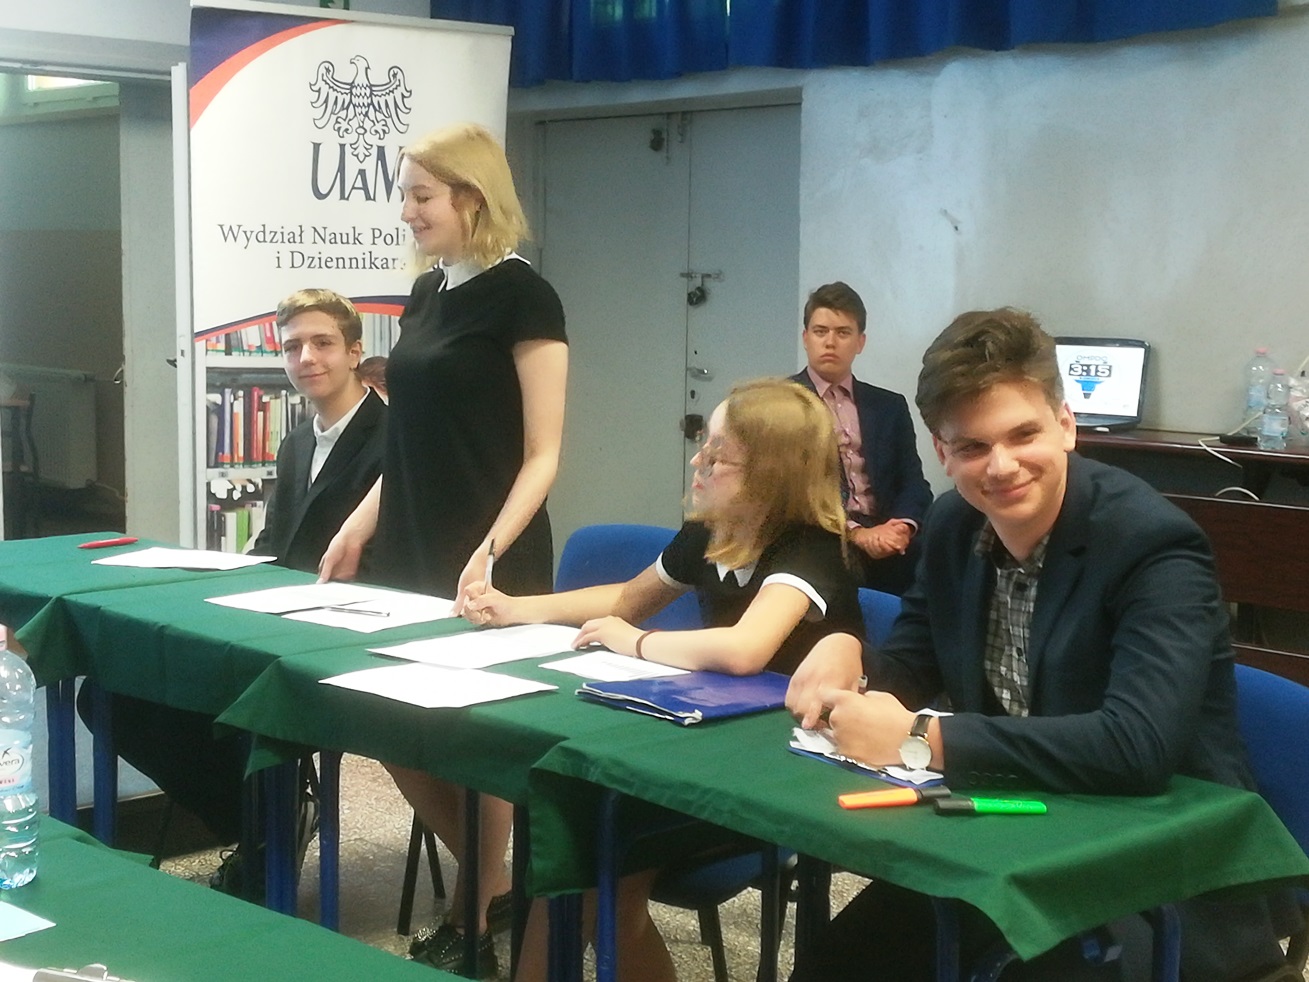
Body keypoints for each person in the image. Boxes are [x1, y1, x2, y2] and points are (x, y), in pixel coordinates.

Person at [785, 308, 1299, 981]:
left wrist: (921, 737)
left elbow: (1136, 747)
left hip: (1157, 867)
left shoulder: (1152, 543)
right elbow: (911, 662)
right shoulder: (951, 525)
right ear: (942, 452)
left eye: (1023, 434)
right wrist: (848, 652)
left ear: (1064, 425)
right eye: (972, 446)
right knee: (837, 964)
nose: (1001, 467)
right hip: (1014, 833)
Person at [461, 377, 865, 982]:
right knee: (574, 855)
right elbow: (629, 598)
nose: (698, 462)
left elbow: (744, 650)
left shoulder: (811, 547)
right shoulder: (713, 528)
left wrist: (637, 642)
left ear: (771, 475)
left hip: (786, 766)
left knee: (596, 869)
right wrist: (517, 607)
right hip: (711, 739)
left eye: (718, 455)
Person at [317, 122, 568, 977]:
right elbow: (410, 438)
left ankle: (474, 911)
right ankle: (497, 886)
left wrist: (490, 550)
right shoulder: (426, 292)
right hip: (413, 540)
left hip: (490, 549)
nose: (407, 212)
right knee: (391, 723)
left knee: (473, 740)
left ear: (472, 196)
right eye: (406, 195)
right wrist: (358, 522)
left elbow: (543, 454)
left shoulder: (525, 296)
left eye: (421, 195)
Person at [79, 288, 386, 894]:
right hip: (274, 621)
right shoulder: (299, 440)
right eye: (292, 346)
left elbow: (389, 561)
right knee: (110, 694)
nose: (306, 358)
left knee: (216, 706)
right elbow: (275, 541)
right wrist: (220, 580)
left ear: (355, 352)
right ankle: (263, 821)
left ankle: (268, 827)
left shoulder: (395, 439)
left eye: (322, 343)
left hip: (341, 638)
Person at [789, 281, 933, 596]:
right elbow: (787, 495)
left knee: (940, 559)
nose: (830, 342)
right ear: (805, 338)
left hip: (887, 532)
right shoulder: (781, 403)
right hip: (819, 536)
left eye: (843, 332)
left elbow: (913, 482)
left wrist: (902, 526)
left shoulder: (889, 406)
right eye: (820, 331)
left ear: (860, 342)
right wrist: (855, 533)